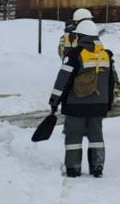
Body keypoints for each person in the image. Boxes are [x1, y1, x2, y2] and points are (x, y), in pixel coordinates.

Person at [48, 18, 113, 178]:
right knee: (96, 136)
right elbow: (110, 82)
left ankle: (73, 168)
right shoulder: (105, 55)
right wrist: (108, 103)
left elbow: (62, 79)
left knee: (74, 137)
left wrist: (54, 101)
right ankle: (97, 167)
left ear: (80, 36)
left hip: (76, 104)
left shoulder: (74, 54)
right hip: (99, 105)